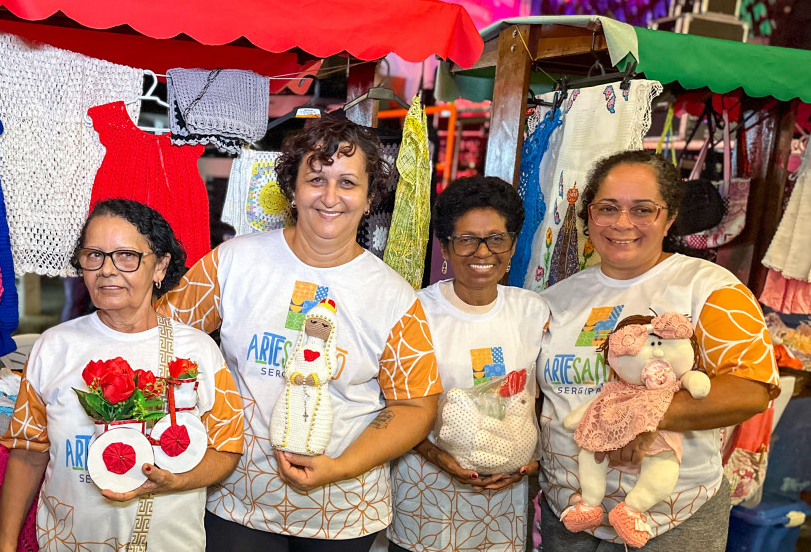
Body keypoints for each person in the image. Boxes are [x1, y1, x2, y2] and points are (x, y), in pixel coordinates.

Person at [159, 115, 442, 551]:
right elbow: (163, 338)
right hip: (239, 499)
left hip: (344, 510)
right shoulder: (233, 264)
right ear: (292, 190)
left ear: (370, 198)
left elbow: (415, 405)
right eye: (316, 179)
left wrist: (342, 466)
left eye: (348, 183)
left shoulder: (396, 297)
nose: (331, 197)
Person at [538, 150, 779, 550]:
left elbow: (751, 388)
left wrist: (641, 418)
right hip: (569, 515)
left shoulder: (708, 288)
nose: (622, 223)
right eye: (608, 208)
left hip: (669, 521)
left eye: (643, 210)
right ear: (589, 216)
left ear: (669, 218)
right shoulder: (558, 299)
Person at [0, 199, 244, 551]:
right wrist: (4, 545)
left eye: (126, 255)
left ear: (160, 266)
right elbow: (28, 454)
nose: (107, 270)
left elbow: (227, 448)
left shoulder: (198, 351)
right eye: (94, 255)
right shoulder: (54, 347)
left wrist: (175, 480)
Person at [388, 176, 547, 552]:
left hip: (503, 507)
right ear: (445, 246)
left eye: (496, 239)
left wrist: (532, 462)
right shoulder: (415, 311)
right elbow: (391, 406)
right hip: (426, 500)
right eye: (466, 239)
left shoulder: (532, 311)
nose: (483, 252)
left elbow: (539, 403)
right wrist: (438, 457)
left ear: (511, 246)